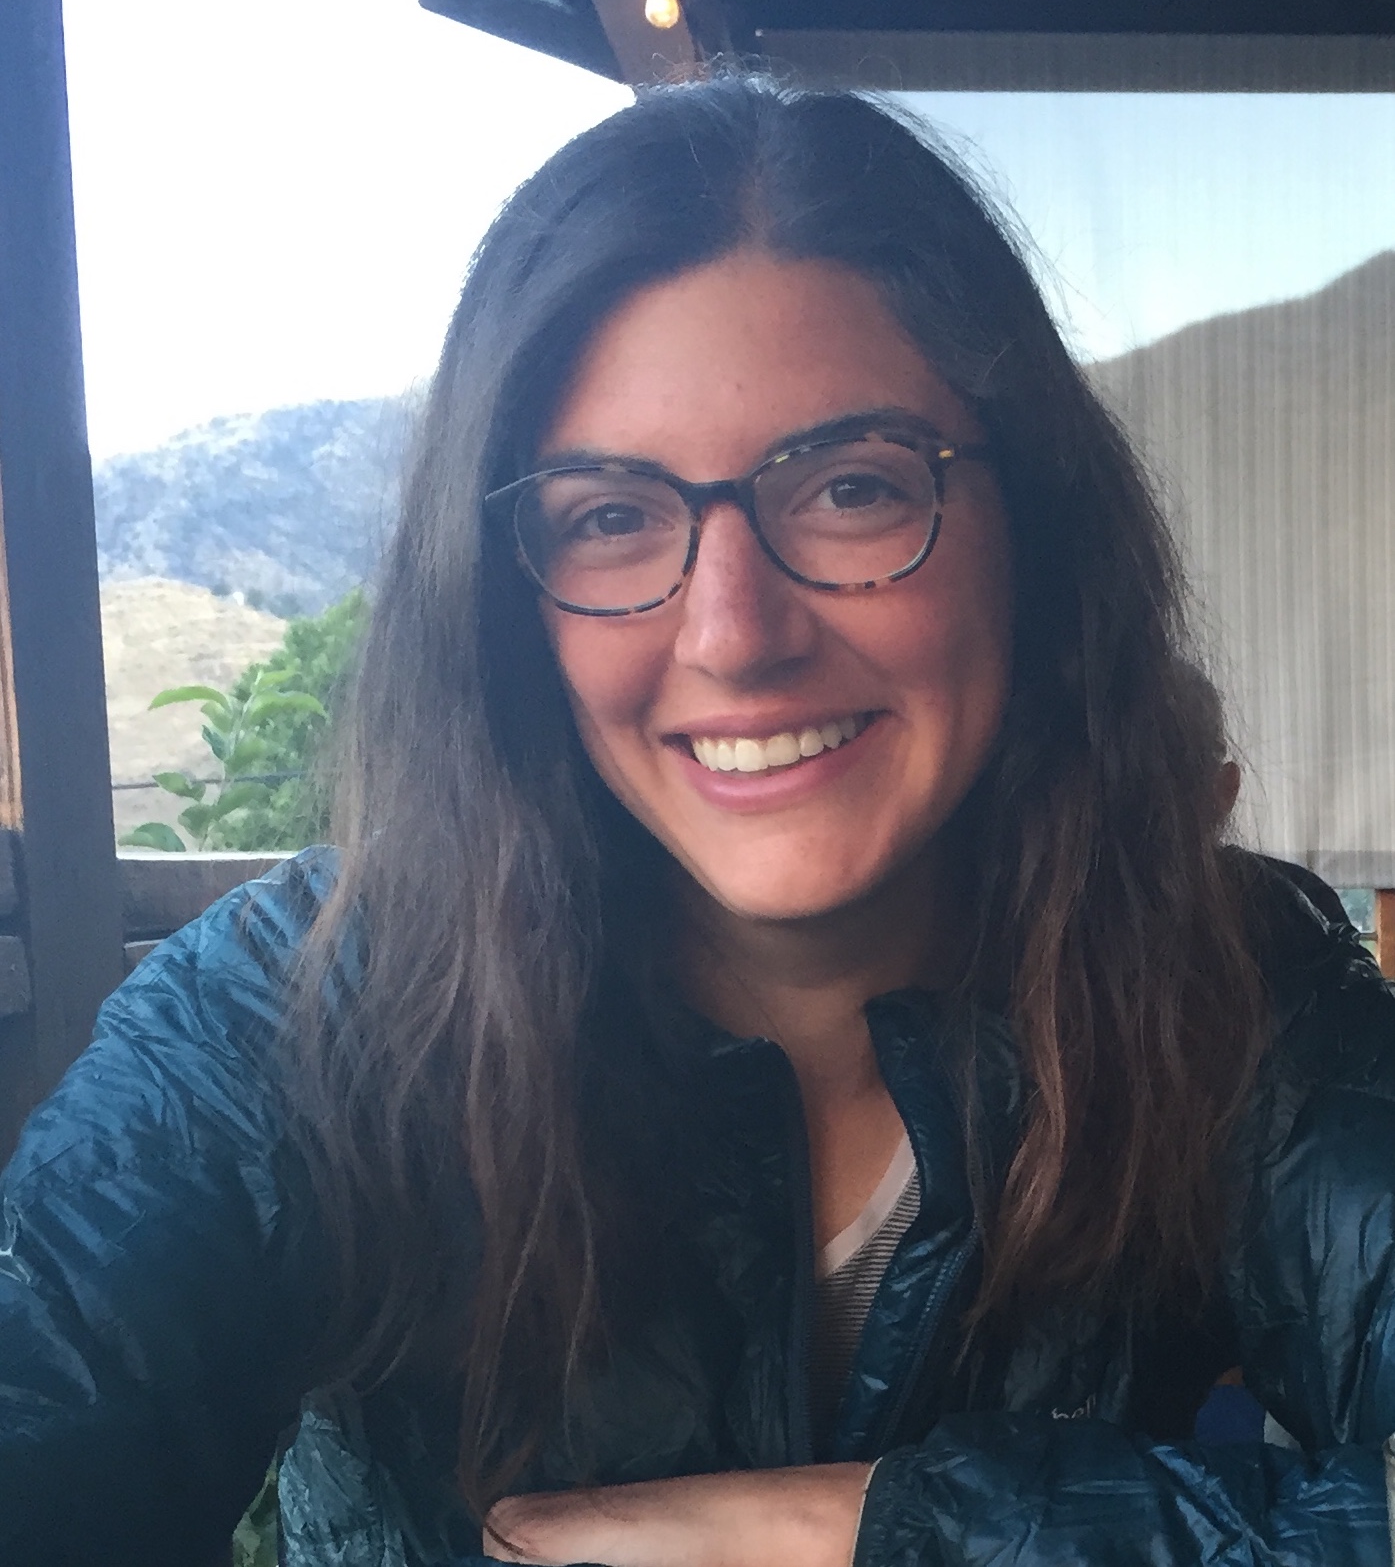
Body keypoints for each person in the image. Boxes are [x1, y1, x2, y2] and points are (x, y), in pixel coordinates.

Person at [2, 76, 1393, 1567]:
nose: (733, 632)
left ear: (1036, 533)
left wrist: (876, 1528)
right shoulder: (297, 1014)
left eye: (853, 488)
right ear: (505, 601)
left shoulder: (1229, 992)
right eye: (609, 516)